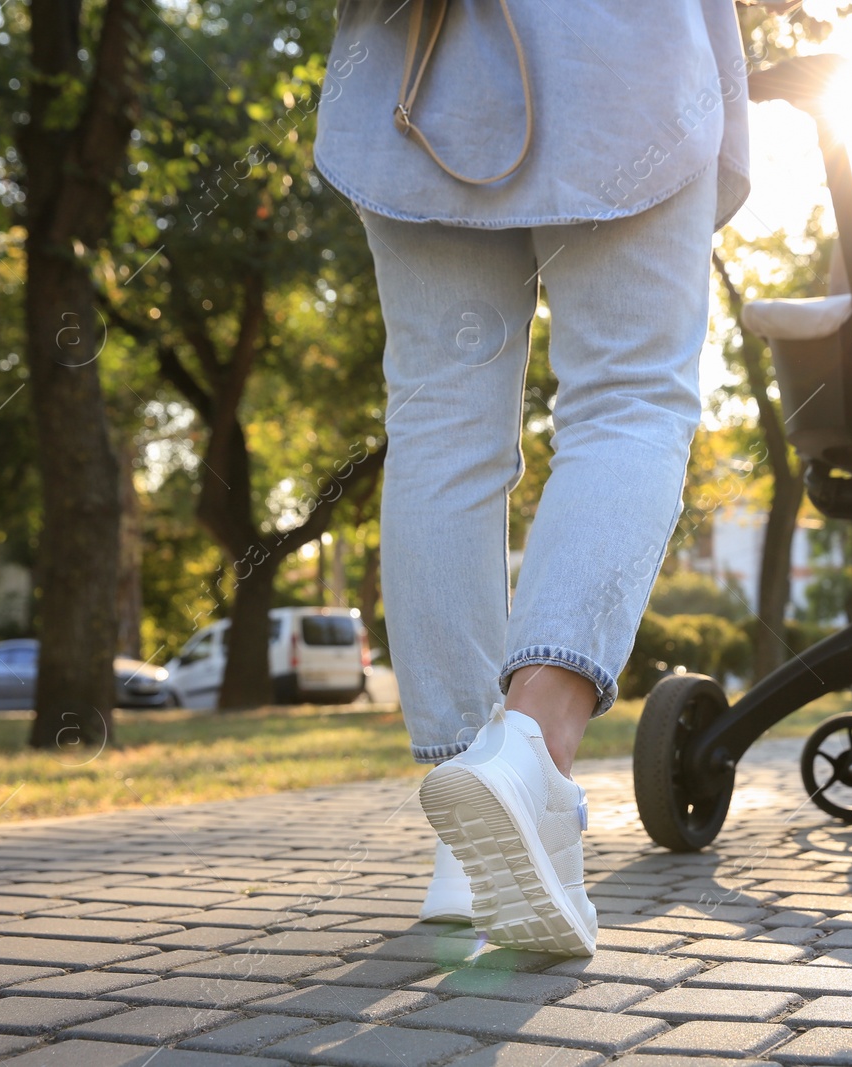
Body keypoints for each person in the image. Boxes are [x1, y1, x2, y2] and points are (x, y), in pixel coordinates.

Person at [315, 0, 750, 956]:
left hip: (415, 71)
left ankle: (466, 834)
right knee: (629, 398)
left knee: (439, 419)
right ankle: (528, 757)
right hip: (618, 63)